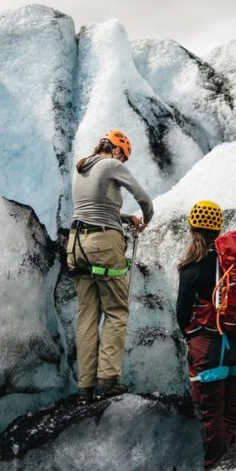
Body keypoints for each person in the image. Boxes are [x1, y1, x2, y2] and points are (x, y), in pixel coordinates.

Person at [67, 130, 153, 405]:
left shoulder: (81, 169)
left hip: (76, 244)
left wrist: (124, 218)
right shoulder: (111, 165)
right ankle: (107, 381)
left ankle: (85, 387)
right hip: (104, 245)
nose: (123, 162)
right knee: (116, 311)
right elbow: (144, 198)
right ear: (116, 150)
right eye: (123, 157)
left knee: (87, 315)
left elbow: (95, 207)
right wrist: (145, 218)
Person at [176, 200, 236, 469]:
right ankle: (233, 468)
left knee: (211, 414)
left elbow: (182, 312)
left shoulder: (191, 268)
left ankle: (216, 470)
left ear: (193, 230)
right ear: (218, 230)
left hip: (209, 346)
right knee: (231, 411)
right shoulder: (233, 264)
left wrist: (190, 336)